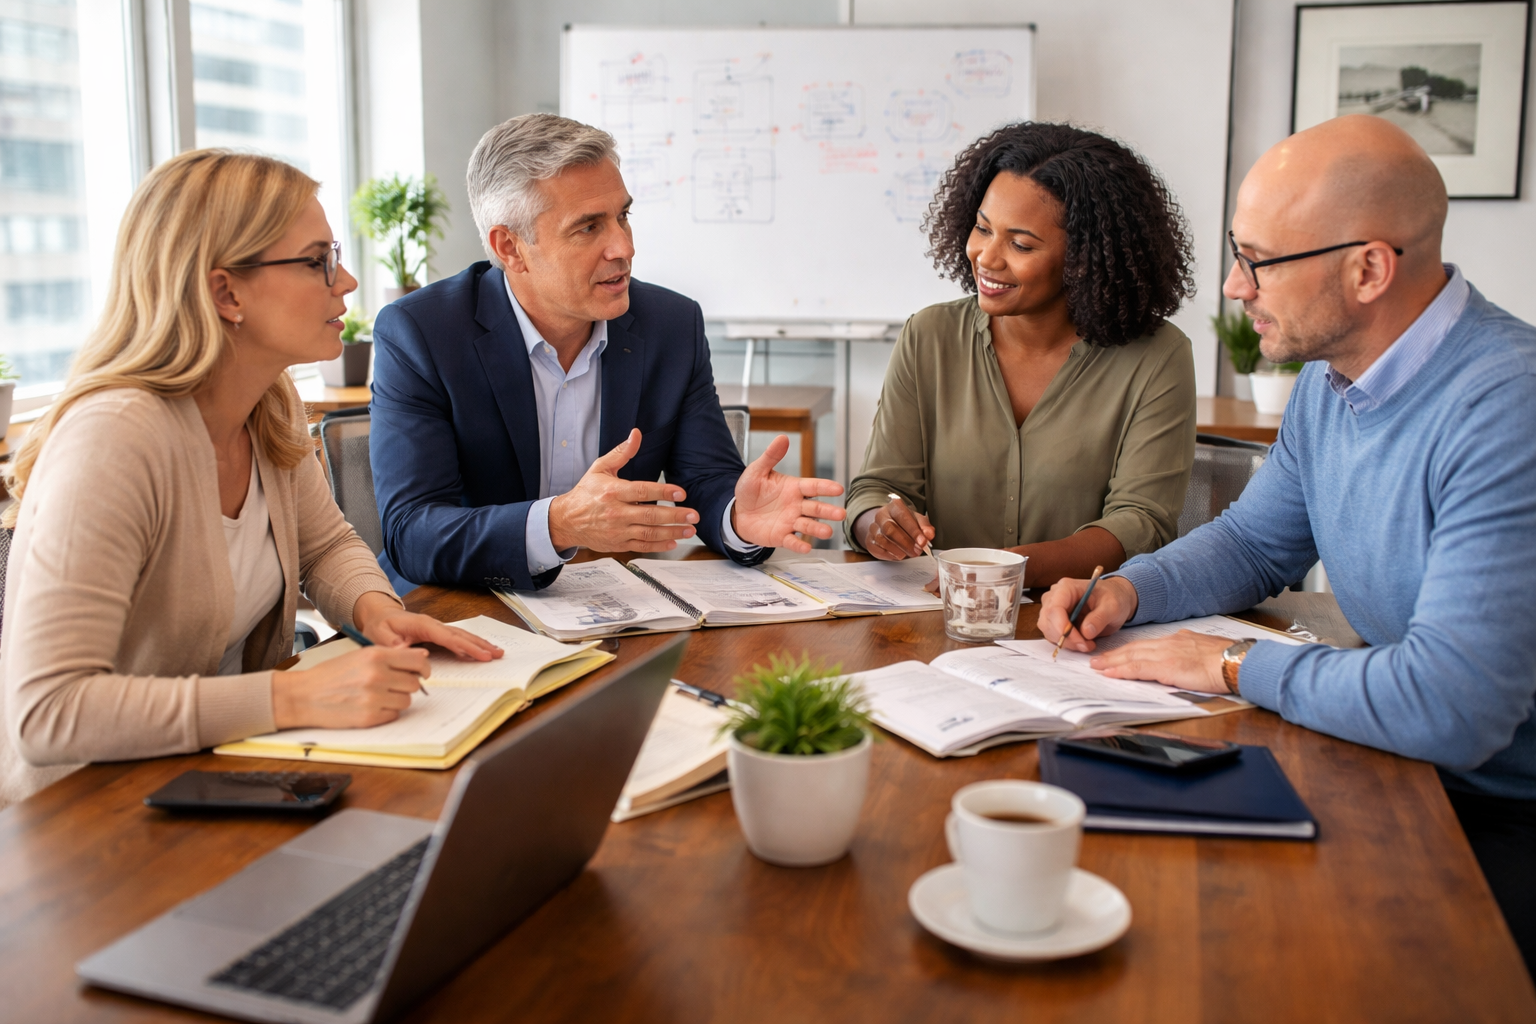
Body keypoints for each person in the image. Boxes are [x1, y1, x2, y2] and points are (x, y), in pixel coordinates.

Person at [1040, 115, 1536, 974]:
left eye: (1260, 260)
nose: (1236, 286)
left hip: (1497, 806)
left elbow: (1452, 707)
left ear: (1370, 269)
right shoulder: (1331, 379)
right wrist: (1132, 590)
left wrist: (1230, 664)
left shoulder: (1507, 409)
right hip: (1398, 762)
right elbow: (1251, 542)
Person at [0, 150, 501, 807]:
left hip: (218, 779)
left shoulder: (264, 404)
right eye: (317, 259)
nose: (346, 280)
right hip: (88, 821)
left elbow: (325, 547)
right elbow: (46, 713)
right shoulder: (114, 439)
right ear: (225, 293)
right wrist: (290, 695)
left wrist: (379, 613)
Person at [369, 115, 846, 593]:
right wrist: (559, 523)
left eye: (622, 216)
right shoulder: (422, 334)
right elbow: (413, 531)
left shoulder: (671, 325)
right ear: (510, 247)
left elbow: (705, 478)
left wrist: (739, 517)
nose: (624, 246)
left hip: (611, 602)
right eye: (588, 227)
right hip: (461, 605)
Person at [845, 122, 1198, 586]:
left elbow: (1141, 524)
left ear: (1084, 257)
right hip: (942, 615)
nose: (987, 258)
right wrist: (876, 525)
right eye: (982, 228)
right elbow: (878, 488)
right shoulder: (930, 336)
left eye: (1021, 244)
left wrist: (1003, 573)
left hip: (1078, 622)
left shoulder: (1157, 358)